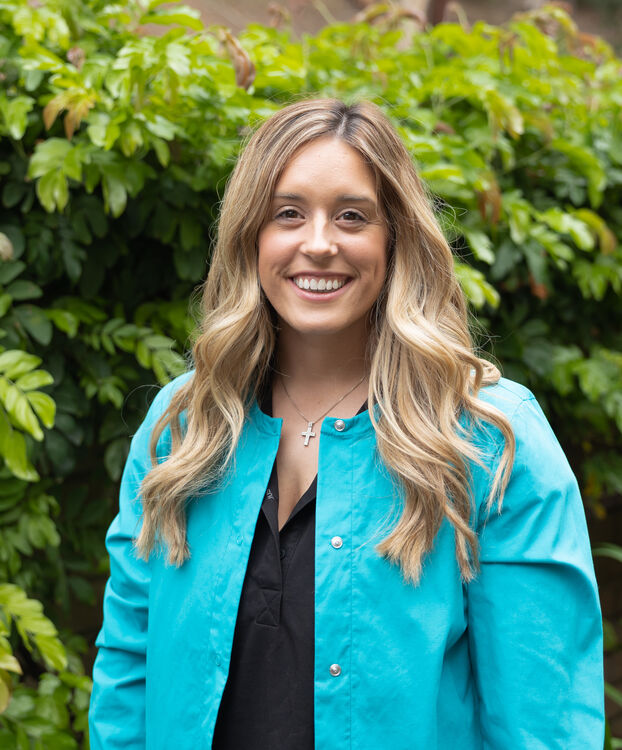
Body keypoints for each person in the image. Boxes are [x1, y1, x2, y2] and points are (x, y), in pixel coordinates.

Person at [88, 98, 604, 749]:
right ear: (251, 235)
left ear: (396, 238)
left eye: (353, 216)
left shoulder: (490, 441)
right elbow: (127, 674)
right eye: (288, 214)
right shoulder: (181, 429)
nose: (320, 243)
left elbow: (544, 721)